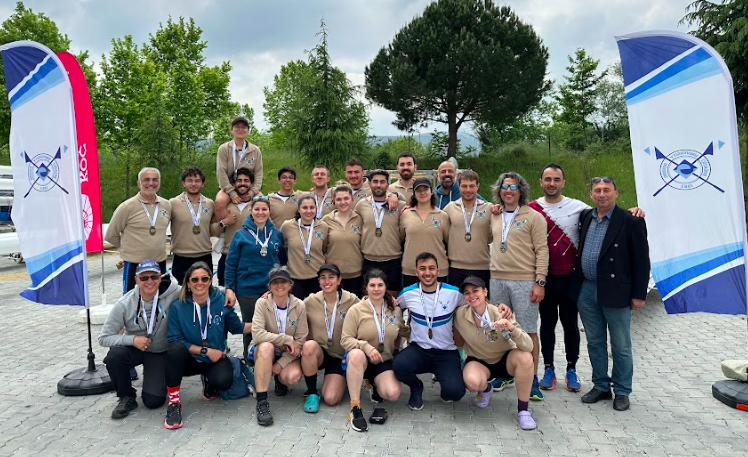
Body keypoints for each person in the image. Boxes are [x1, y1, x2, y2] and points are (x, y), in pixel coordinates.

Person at [529, 163, 644, 393]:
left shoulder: (593, 212)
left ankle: (595, 379)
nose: (602, 195)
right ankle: (567, 374)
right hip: (562, 283)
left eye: (557, 179)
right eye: (548, 179)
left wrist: (635, 211)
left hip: (593, 285)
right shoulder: (542, 210)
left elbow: (640, 257)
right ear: (540, 182)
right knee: (567, 332)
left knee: (592, 334)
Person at [569, 177, 650, 412]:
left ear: (616, 193)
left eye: (607, 190)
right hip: (588, 289)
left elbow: (642, 260)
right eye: (597, 190)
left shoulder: (631, 220)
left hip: (617, 290)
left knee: (620, 345)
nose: (602, 194)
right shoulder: (586, 217)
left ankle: (622, 390)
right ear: (591, 195)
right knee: (595, 342)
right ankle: (601, 386)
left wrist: (639, 294)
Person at [163, 262, 252, 430]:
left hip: (214, 358)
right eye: (195, 279)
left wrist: (264, 325)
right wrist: (205, 350)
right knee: (174, 350)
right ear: (188, 283)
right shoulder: (177, 306)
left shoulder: (220, 301)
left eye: (204, 279)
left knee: (223, 382)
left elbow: (237, 327)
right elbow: (175, 338)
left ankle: (209, 381)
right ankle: (174, 403)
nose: (200, 283)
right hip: (190, 359)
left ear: (211, 281)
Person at [488, 172, 548, 400]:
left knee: (528, 330)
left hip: (525, 280)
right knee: (501, 328)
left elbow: (542, 250)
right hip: (497, 279)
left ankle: (532, 379)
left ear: (521, 190)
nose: (509, 191)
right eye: (505, 187)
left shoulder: (534, 217)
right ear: (499, 190)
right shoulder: (494, 214)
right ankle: (505, 373)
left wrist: (540, 281)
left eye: (513, 187)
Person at [99, 260, 180, 419]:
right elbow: (104, 338)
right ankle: (126, 396)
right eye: (144, 278)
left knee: (153, 402)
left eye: (154, 277)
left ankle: (160, 380)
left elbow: (199, 289)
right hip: (136, 348)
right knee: (115, 356)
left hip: (159, 352)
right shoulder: (124, 304)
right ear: (136, 280)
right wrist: (132, 339)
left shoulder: (174, 292)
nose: (149, 281)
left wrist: (227, 291)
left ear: (160, 277)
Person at [454, 276, 537, 430]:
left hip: (505, 360)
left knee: (525, 358)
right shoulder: (460, 314)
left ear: (485, 292)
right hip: (479, 361)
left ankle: (523, 411)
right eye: (467, 293)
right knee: (472, 382)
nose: (471, 295)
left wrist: (511, 329)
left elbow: (528, 345)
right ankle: (486, 389)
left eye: (475, 291)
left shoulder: (500, 313)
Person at [394, 253, 465, 409]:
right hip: (419, 350)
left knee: (455, 393)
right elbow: (392, 308)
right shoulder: (407, 293)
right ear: (416, 272)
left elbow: (474, 304)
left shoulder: (454, 293)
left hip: (446, 352)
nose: (427, 273)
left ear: (438, 271)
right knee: (398, 366)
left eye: (431, 268)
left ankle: (445, 379)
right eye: (422, 268)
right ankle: (416, 387)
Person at [341, 269, 407, 432]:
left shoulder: (394, 310)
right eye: (372, 285)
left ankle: (373, 384)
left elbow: (403, 331)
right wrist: (366, 347)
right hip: (361, 359)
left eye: (380, 285)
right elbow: (345, 340)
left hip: (382, 360)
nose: (376, 289)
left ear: (386, 287)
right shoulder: (356, 310)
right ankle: (355, 408)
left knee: (392, 393)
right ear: (366, 287)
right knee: (356, 355)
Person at [224, 195, 286, 359]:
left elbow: (283, 262)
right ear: (251, 211)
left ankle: (272, 363)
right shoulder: (240, 235)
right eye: (257, 209)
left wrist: (280, 286)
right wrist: (229, 288)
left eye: (264, 209)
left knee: (273, 326)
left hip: (271, 289)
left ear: (269, 211)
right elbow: (231, 264)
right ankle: (250, 362)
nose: (260, 212)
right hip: (247, 289)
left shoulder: (277, 235)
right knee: (251, 327)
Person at [251, 266, 309, 426]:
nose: (279, 285)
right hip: (264, 350)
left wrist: (281, 364)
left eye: (283, 281)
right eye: (275, 282)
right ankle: (262, 402)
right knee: (266, 347)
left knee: (292, 377)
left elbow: (301, 340)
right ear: (269, 287)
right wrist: (286, 339)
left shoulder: (299, 305)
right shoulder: (262, 303)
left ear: (290, 285)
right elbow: (257, 334)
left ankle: (279, 379)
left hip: (287, 353)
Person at [301, 264, 359, 412]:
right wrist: (270, 296)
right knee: (308, 346)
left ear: (339, 280)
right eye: (323, 278)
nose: (327, 281)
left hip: (339, 355)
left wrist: (389, 300)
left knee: (331, 399)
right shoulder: (311, 301)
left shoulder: (352, 300)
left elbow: (370, 306)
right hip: (320, 352)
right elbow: (291, 307)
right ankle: (312, 393)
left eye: (331, 277)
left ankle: (345, 379)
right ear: (319, 281)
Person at [106, 167, 171, 294]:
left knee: (159, 299)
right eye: (146, 180)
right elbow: (111, 235)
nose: (151, 183)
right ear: (139, 183)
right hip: (135, 265)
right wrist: (130, 249)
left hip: (159, 263)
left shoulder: (166, 205)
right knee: (132, 300)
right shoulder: (127, 207)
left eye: (155, 180)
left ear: (159, 182)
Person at [355, 170, 406, 297]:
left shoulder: (400, 205)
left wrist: (395, 195)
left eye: (382, 182)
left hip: (393, 260)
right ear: (369, 184)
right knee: (369, 300)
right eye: (375, 182)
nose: (378, 185)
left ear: (388, 184)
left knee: (392, 300)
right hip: (369, 260)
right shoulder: (361, 205)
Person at [443, 170, 493, 287]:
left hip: (482, 267)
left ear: (478, 186)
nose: (468, 190)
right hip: (456, 267)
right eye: (464, 186)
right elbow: (442, 231)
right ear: (459, 187)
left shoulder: (489, 208)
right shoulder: (450, 208)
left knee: (480, 298)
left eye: (472, 186)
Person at [169, 167, 216, 284]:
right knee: (181, 292)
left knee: (204, 291)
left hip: (204, 256)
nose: (193, 184)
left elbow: (212, 230)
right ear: (183, 183)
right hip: (181, 257)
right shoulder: (173, 203)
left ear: (203, 184)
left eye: (197, 181)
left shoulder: (210, 204)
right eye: (189, 180)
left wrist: (223, 223)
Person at [400, 178, 450, 288]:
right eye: (418, 190)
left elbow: (448, 242)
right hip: (411, 270)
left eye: (425, 189)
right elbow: (401, 239)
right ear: (414, 194)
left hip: (438, 270)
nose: (422, 193)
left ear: (431, 191)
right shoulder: (405, 214)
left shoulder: (443, 215)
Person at [215, 116, 263, 221]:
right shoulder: (224, 149)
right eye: (237, 127)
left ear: (248, 130)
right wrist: (232, 192)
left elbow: (258, 174)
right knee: (219, 202)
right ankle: (221, 228)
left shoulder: (255, 150)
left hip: (248, 186)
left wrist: (252, 192)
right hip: (229, 187)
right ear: (231, 130)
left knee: (263, 202)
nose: (240, 129)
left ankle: (261, 228)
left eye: (244, 127)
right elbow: (221, 172)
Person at [281, 195, 329, 298]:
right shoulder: (287, 226)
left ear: (316, 209)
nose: (308, 211)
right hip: (295, 278)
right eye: (304, 207)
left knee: (316, 307)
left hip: (317, 277)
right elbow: (283, 246)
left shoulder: (323, 227)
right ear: (299, 209)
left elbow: (324, 248)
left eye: (312, 207)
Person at [213, 168, 254, 286]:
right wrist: (223, 222)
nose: (242, 183)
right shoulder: (224, 205)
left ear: (252, 184)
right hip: (228, 255)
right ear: (233, 184)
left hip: (250, 257)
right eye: (239, 180)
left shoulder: (257, 205)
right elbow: (212, 229)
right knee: (224, 292)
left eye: (246, 180)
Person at [322, 186, 363, 295]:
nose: (343, 202)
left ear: (352, 199)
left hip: (355, 274)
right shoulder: (326, 220)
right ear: (334, 201)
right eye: (339, 199)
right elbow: (322, 246)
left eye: (346, 198)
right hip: (333, 275)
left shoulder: (360, 219)